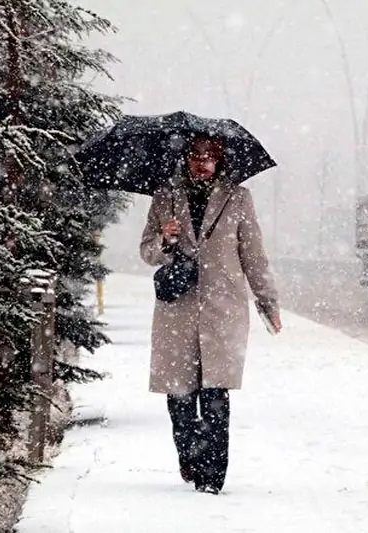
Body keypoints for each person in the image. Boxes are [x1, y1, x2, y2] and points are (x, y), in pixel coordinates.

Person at [139, 134, 281, 494]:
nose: (202, 162)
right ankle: (189, 455)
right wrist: (165, 240)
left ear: (221, 161)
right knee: (180, 397)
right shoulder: (165, 197)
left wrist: (267, 303)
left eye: (210, 156)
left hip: (223, 309)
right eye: (196, 155)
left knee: (216, 395)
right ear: (186, 158)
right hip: (178, 310)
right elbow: (146, 252)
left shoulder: (238, 199)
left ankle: (212, 477)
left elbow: (254, 256)